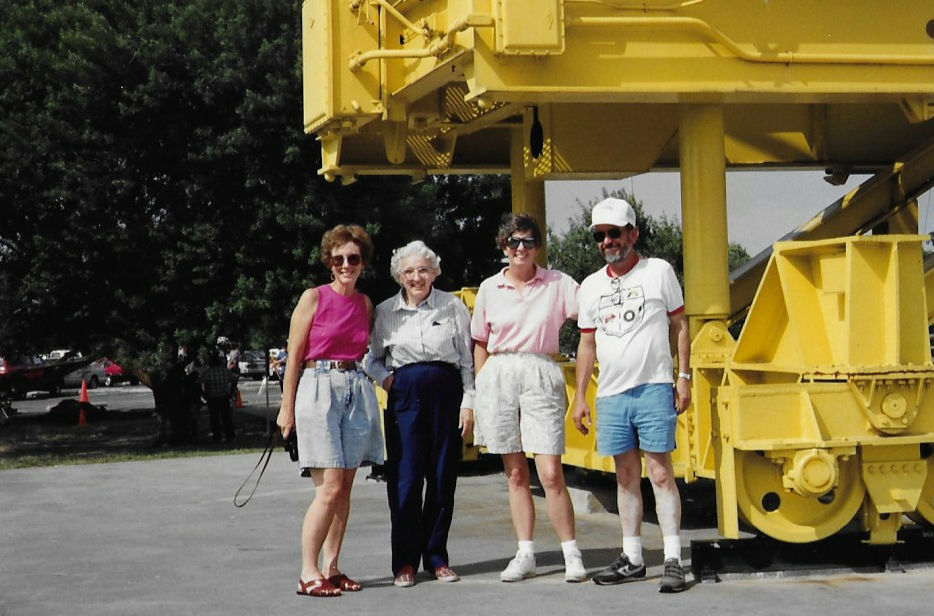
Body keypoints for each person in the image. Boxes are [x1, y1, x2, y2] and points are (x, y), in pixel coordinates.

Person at [571, 197, 691, 593]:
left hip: (654, 387)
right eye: (600, 235)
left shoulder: (658, 271)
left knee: (659, 471)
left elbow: (680, 325)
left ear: (633, 234)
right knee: (624, 477)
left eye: (615, 233)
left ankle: (673, 557)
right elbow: (586, 344)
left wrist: (684, 376)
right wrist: (581, 395)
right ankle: (633, 557)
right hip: (612, 394)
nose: (608, 241)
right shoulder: (590, 286)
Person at [470, 213, 586, 583]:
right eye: (513, 242)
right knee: (515, 472)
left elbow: (590, 322)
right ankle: (526, 553)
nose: (521, 249)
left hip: (540, 368)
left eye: (528, 242)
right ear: (503, 246)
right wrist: (481, 385)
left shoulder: (558, 283)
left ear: (537, 246)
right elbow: (480, 343)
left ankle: (572, 553)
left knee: (550, 472)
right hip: (499, 372)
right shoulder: (489, 288)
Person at [276, 224, 384, 598]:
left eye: (353, 258)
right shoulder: (313, 298)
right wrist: (286, 408)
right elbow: (294, 356)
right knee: (329, 487)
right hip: (318, 387)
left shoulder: (365, 304)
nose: (345, 265)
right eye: (338, 259)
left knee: (345, 488)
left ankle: (331, 567)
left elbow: (368, 354)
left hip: (355, 387)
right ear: (329, 262)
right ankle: (307, 572)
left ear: (362, 262)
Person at [363, 240, 475, 588]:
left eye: (423, 270)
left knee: (442, 478)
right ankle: (406, 562)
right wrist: (389, 381)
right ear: (399, 275)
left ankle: (437, 557)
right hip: (405, 397)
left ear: (435, 272)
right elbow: (370, 358)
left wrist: (469, 402)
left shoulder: (453, 306)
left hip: (446, 394)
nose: (416, 277)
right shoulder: (385, 311)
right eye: (409, 271)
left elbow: (468, 362)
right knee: (406, 481)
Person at [200, 354, 236, 442]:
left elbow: (200, 384)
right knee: (226, 418)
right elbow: (234, 380)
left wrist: (204, 395)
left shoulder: (206, 373)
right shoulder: (225, 371)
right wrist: (231, 392)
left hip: (212, 398)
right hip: (224, 396)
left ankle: (217, 436)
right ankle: (229, 436)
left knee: (214, 418)